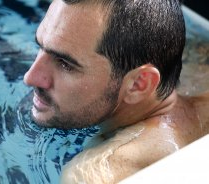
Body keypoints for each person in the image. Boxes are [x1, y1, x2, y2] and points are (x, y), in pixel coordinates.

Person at [23, 0, 209, 183]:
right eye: (40, 46)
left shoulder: (99, 173)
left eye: (65, 64)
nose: (29, 78)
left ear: (138, 84)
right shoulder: (201, 73)